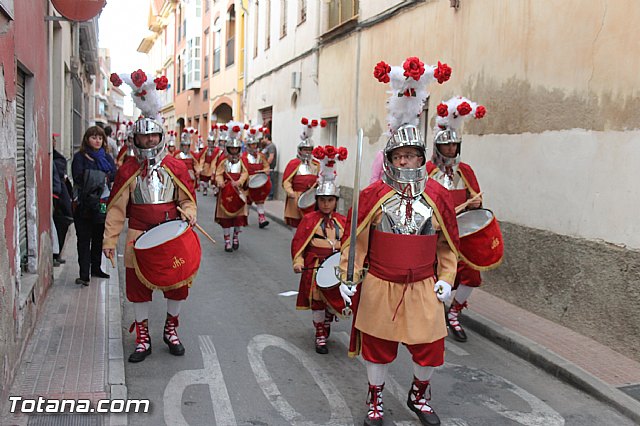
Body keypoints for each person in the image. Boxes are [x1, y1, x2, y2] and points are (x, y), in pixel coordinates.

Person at [338, 56, 456, 426]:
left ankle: (419, 396)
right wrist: (348, 277)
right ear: (390, 159)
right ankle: (375, 399)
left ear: (422, 158)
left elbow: (448, 247)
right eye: (400, 156)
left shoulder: (437, 195)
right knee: (378, 349)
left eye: (412, 155)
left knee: (430, 348)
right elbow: (355, 243)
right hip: (380, 285)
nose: (406, 161)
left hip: (423, 286)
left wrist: (447, 280)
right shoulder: (373, 195)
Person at [102, 68, 197, 363]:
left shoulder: (176, 167)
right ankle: (142, 336)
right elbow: (116, 209)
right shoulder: (128, 169)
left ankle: (171, 329)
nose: (148, 142)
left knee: (177, 284)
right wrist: (109, 240)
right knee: (138, 288)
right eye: (143, 139)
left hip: (171, 235)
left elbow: (187, 199)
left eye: (153, 136)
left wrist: (190, 213)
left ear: (161, 136)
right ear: (136, 140)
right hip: (137, 236)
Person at [427, 96, 488, 343]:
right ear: (438, 147)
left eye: (454, 145)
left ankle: (454, 312)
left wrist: (475, 203)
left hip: (462, 232)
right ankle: (432, 314)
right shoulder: (429, 171)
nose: (451, 149)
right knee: (436, 274)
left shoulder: (466, 171)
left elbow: (478, 198)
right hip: (437, 232)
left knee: (472, 275)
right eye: (446, 145)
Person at [291, 144, 348, 354]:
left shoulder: (343, 221)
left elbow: (351, 245)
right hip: (315, 266)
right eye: (323, 200)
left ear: (336, 201)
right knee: (317, 300)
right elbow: (299, 243)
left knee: (333, 300)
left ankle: (326, 323)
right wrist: (298, 262)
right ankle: (320, 334)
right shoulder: (308, 220)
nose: (326, 204)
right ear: (317, 200)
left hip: (336, 267)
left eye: (330, 200)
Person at [71, 126, 117, 286]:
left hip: (102, 204)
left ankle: (96, 268)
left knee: (98, 238)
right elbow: (78, 176)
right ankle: (84, 274)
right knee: (83, 240)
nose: (97, 141)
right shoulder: (80, 157)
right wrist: (101, 177)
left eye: (100, 138)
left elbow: (114, 174)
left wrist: (94, 177)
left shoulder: (107, 157)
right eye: (94, 137)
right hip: (84, 204)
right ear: (87, 139)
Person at [214, 123, 249, 252]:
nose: (234, 151)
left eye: (236, 149)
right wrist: (220, 182)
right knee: (226, 219)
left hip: (238, 191)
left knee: (238, 218)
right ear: (228, 149)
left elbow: (245, 173)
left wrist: (239, 182)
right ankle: (227, 240)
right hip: (226, 193)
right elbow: (218, 174)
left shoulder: (242, 162)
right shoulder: (223, 162)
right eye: (231, 149)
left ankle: (235, 237)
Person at [282, 118, 322, 227]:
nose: (307, 152)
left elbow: (320, 179)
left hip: (312, 198)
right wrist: (290, 192)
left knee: (311, 225)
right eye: (305, 149)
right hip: (296, 197)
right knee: (297, 226)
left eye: (309, 149)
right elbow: (286, 181)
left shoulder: (316, 164)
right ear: (300, 150)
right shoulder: (293, 163)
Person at [242, 126, 271, 228]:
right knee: (248, 201)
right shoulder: (244, 157)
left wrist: (266, 171)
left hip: (259, 181)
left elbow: (266, 165)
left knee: (260, 200)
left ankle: (261, 218)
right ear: (248, 146)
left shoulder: (261, 156)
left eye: (255, 144)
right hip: (248, 182)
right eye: (251, 145)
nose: (253, 147)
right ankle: (245, 217)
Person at [52, 133, 73, 266]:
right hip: (57, 197)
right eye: (52, 139)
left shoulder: (56, 156)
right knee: (60, 222)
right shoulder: (53, 158)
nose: (54, 141)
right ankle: (55, 253)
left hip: (61, 196)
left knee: (63, 222)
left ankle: (57, 252)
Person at [260, 130, 277, 200]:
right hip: (266, 167)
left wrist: (266, 165)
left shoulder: (271, 146)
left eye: (264, 138)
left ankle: (270, 195)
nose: (263, 140)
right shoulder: (266, 146)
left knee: (270, 181)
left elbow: (271, 157)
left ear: (267, 138)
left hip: (269, 167)